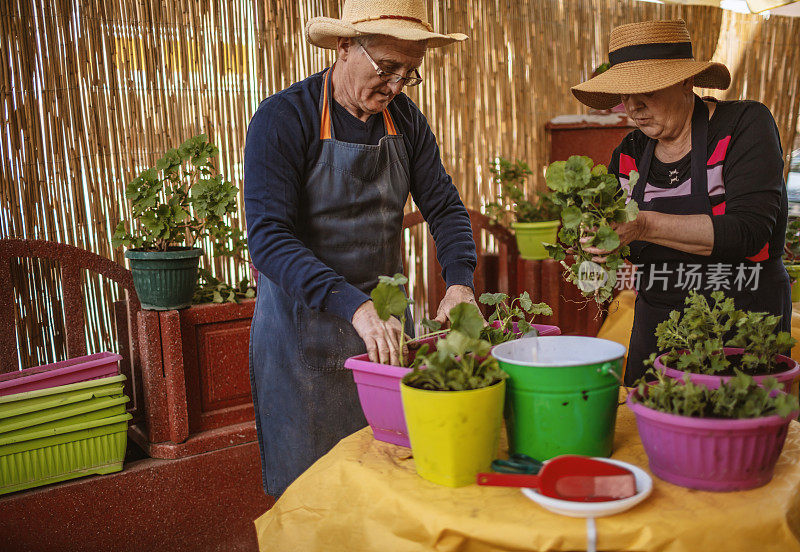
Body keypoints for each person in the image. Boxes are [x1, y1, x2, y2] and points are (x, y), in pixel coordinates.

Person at [244, 0, 478, 496]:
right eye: (387, 68)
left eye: (408, 74)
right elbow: (268, 237)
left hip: (386, 329)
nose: (395, 86)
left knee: (390, 479)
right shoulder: (285, 117)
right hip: (300, 331)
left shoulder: (406, 122)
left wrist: (460, 282)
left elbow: (446, 208)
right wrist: (354, 304)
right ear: (344, 45)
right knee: (313, 494)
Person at [571, 19, 791, 385]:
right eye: (625, 94)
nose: (634, 105)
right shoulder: (629, 154)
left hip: (744, 318)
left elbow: (749, 231)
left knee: (734, 434)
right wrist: (602, 243)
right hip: (659, 326)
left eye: (648, 90)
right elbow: (627, 246)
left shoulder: (744, 125)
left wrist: (643, 224)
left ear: (686, 81)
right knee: (647, 431)